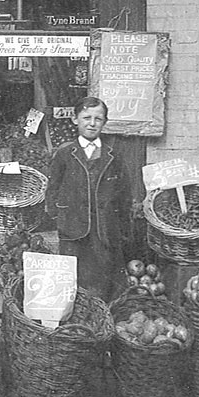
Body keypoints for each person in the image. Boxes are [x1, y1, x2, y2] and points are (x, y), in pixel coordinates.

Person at [46, 96, 133, 301]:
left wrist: (120, 227)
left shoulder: (114, 156)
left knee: (104, 280)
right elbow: (53, 189)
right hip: (74, 229)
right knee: (74, 280)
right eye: (86, 117)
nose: (92, 123)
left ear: (105, 122)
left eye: (98, 119)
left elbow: (124, 195)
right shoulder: (64, 154)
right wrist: (59, 217)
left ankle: (102, 318)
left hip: (104, 230)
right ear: (75, 120)